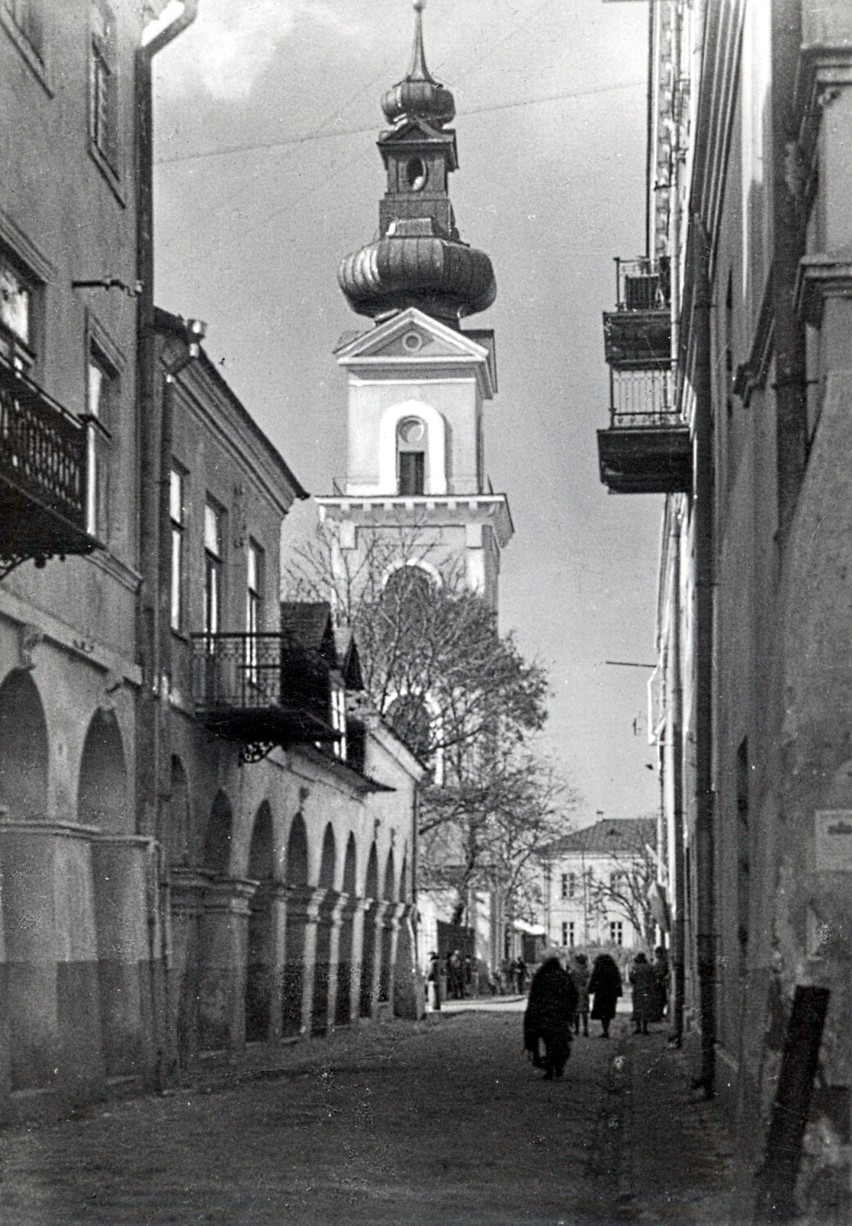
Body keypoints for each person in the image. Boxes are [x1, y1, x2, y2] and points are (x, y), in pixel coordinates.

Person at [523, 951, 578, 1080]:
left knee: (548, 1041)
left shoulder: (541, 976)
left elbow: (534, 997)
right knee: (560, 1041)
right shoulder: (564, 976)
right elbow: (573, 995)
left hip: (544, 1014)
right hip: (560, 1014)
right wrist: (570, 1012)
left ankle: (549, 1069)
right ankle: (558, 1065)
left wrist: (532, 1014)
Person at [587, 952, 623, 1038]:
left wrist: (590, 989)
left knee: (602, 1012)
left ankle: (605, 1030)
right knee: (608, 1011)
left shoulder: (598, 969)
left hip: (601, 993)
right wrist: (618, 992)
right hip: (611, 994)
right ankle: (606, 1029)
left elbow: (593, 979)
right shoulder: (613, 969)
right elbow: (618, 981)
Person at [629, 951, 661, 1034]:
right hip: (648, 990)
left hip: (637, 990)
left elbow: (631, 978)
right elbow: (654, 978)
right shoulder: (650, 967)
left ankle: (638, 1027)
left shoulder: (635, 967)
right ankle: (645, 1028)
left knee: (637, 1008)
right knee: (646, 1008)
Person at [571, 952, 590, 1036]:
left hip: (576, 991)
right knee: (584, 1012)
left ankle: (577, 1029)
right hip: (584, 990)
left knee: (576, 1011)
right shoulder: (586, 970)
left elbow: (571, 981)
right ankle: (585, 1029)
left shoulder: (574, 971)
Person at [652, 945, 670, 1018]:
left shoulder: (662, 962)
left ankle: (659, 1012)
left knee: (661, 998)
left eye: (657, 953)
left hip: (660, 982)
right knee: (659, 998)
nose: (655, 955)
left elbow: (662, 972)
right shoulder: (657, 961)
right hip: (658, 982)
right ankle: (659, 1012)